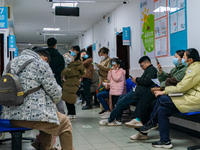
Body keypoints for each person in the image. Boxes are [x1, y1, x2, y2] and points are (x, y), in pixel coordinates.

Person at [0, 48, 74, 150]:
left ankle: (46, 147)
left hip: (9, 116)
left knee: (48, 120)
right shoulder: (40, 64)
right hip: (30, 116)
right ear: (44, 58)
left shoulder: (10, 64)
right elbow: (56, 94)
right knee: (65, 123)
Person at [139, 48, 200, 149]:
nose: (182, 59)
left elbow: (182, 86)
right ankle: (165, 141)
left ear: (190, 59)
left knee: (162, 98)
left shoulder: (194, 69)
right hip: (189, 97)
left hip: (195, 100)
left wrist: (164, 91)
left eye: (184, 57)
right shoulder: (192, 67)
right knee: (162, 110)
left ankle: (152, 123)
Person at [126, 50, 187, 140]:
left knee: (150, 99)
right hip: (169, 91)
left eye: (176, 57)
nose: (174, 58)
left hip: (175, 94)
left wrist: (161, 86)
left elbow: (171, 81)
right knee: (149, 102)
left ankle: (140, 122)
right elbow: (167, 78)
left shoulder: (184, 70)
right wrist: (161, 72)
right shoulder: (175, 69)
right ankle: (141, 129)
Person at [99, 56, 157, 126]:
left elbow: (147, 81)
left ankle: (111, 119)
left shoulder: (151, 70)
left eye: (142, 65)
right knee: (120, 100)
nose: (142, 67)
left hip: (138, 93)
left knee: (120, 102)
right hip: (136, 91)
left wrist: (137, 79)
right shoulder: (148, 70)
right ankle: (115, 119)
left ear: (147, 62)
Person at [61, 45, 85, 119]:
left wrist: (63, 71)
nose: (72, 52)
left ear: (77, 52)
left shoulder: (78, 62)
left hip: (72, 81)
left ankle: (72, 113)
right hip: (67, 81)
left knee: (70, 97)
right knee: (67, 96)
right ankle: (70, 112)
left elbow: (73, 72)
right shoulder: (70, 59)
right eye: (71, 50)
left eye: (74, 50)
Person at [45, 37, 66, 114]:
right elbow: (62, 66)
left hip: (45, 77)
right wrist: (55, 72)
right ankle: (61, 113)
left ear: (47, 44)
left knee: (46, 95)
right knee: (58, 95)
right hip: (56, 77)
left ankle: (48, 113)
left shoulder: (44, 54)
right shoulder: (59, 55)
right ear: (55, 45)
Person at [96, 47, 111, 114]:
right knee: (100, 90)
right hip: (101, 77)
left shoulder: (109, 60)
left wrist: (99, 66)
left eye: (101, 55)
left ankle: (106, 108)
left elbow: (108, 68)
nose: (101, 56)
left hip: (106, 78)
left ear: (105, 54)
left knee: (104, 92)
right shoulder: (102, 60)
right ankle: (102, 108)